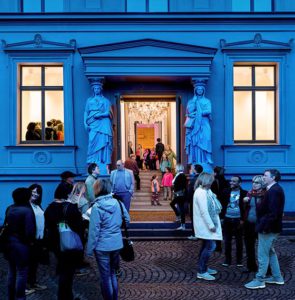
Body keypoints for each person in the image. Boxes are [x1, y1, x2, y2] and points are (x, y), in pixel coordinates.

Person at [87, 179, 130, 300]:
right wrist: (116, 227)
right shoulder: (118, 203)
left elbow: (94, 231)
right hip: (116, 244)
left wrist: (89, 250)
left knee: (105, 276)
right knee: (112, 273)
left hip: (102, 246)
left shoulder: (96, 207)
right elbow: (127, 220)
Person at [245, 169, 285, 289]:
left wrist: (263, 227)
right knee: (270, 252)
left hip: (268, 228)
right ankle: (277, 277)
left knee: (262, 255)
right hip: (271, 227)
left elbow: (273, 213)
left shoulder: (274, 191)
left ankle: (260, 279)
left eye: (265, 175)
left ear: (273, 177)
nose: (263, 178)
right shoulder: (274, 189)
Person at [44, 185, 84, 300]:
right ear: (67, 194)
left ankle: (64, 296)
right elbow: (78, 226)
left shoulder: (50, 208)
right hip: (69, 243)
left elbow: (48, 225)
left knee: (63, 269)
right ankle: (66, 296)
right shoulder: (71, 207)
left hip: (56, 243)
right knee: (68, 272)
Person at [4, 188, 36, 299]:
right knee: (22, 272)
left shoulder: (10, 208)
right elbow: (30, 232)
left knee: (11, 271)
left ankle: (10, 297)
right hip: (22, 245)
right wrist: (31, 243)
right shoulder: (27, 210)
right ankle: (20, 297)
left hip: (9, 243)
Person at [193, 172, 222, 281]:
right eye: (211, 180)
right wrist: (211, 225)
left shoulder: (205, 191)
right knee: (210, 247)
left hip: (206, 224)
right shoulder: (201, 192)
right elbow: (204, 211)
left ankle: (203, 267)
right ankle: (201, 271)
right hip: (206, 225)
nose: (212, 182)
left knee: (206, 246)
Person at [220, 176, 247, 267]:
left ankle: (239, 260)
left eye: (234, 181)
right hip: (227, 219)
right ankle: (227, 260)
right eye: (231, 181)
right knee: (227, 241)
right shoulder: (225, 192)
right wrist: (222, 218)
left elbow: (246, 208)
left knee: (239, 241)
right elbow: (222, 206)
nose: (231, 183)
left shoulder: (244, 193)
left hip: (238, 220)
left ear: (239, 183)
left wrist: (243, 219)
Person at [84, 82, 113, 165]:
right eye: (95, 88)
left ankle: (102, 160)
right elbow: (86, 112)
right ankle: (92, 160)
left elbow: (108, 113)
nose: (96, 90)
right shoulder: (89, 100)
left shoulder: (105, 100)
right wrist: (85, 124)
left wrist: (99, 115)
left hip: (103, 123)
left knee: (103, 141)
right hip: (92, 123)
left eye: (98, 88)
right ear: (93, 90)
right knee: (92, 140)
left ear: (101, 89)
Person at [184, 82, 213, 165]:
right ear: (195, 91)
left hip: (204, 122)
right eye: (198, 89)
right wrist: (194, 106)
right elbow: (188, 112)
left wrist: (199, 112)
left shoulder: (207, 101)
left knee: (207, 139)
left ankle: (207, 158)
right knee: (195, 142)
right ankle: (194, 159)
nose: (199, 91)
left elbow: (209, 111)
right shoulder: (191, 101)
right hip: (194, 123)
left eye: (201, 89)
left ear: (203, 91)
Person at [242, 175, 266, 273]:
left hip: (260, 224)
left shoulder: (265, 194)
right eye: (253, 182)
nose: (254, 184)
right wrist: (244, 202)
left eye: (257, 183)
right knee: (249, 246)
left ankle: (265, 269)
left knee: (263, 248)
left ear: (262, 184)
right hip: (249, 224)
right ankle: (251, 266)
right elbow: (245, 209)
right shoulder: (249, 193)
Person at [27, 184, 47, 294]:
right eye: (33, 192)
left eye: (37, 192)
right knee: (28, 263)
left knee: (34, 263)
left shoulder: (38, 205)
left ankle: (33, 283)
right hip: (30, 240)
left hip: (39, 239)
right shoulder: (25, 206)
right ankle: (25, 285)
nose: (35, 194)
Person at [211, 166, 229, 252]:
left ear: (215, 173)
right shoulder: (225, 181)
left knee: (217, 226)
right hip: (224, 205)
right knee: (223, 226)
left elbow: (213, 195)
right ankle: (224, 244)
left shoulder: (215, 182)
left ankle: (218, 246)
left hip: (217, 206)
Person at [187, 164, 203, 240]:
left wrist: (188, 200)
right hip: (202, 200)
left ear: (195, 170)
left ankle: (195, 234)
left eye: (193, 168)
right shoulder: (203, 178)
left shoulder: (194, 179)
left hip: (194, 201)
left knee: (194, 218)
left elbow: (190, 191)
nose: (192, 169)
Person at [170, 164, 187, 230]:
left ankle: (182, 224)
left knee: (181, 209)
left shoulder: (181, 175)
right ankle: (181, 221)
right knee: (174, 205)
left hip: (180, 194)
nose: (175, 168)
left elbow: (182, 185)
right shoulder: (179, 175)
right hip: (178, 194)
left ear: (178, 168)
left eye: (176, 167)